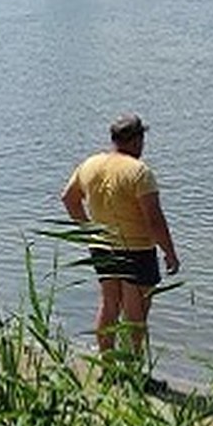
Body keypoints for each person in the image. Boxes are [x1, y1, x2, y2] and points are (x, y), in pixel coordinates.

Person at [61, 113, 180, 367]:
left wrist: (89, 231)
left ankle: (107, 365)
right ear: (136, 140)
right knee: (135, 313)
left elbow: (69, 199)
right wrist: (169, 252)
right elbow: (155, 219)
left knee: (108, 305)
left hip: (102, 246)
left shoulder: (90, 164)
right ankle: (132, 372)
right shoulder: (139, 172)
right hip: (136, 248)